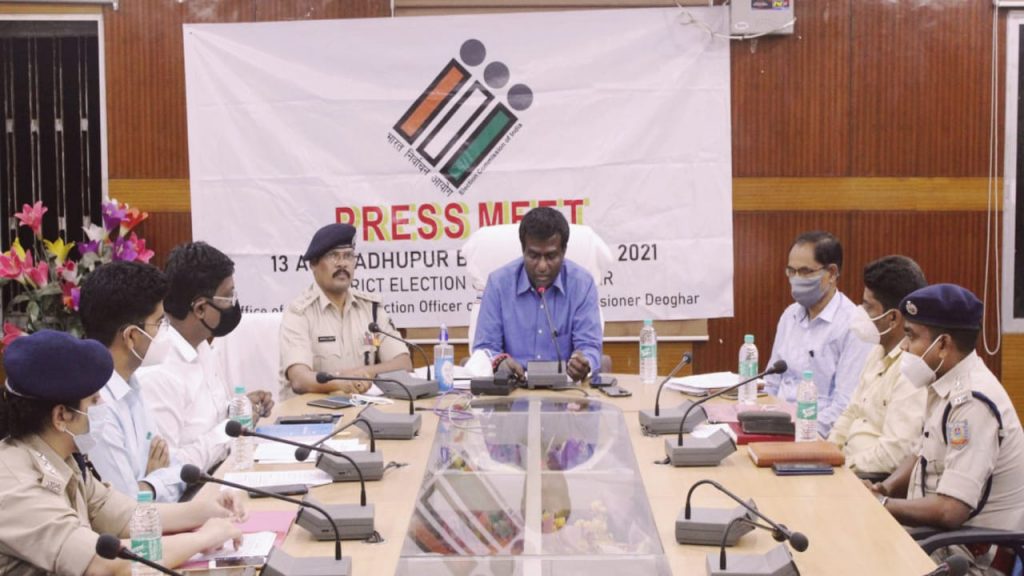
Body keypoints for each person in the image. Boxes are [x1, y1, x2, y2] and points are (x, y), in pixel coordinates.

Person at [0, 330, 245, 576]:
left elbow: (126, 517)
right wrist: (203, 539)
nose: (103, 407)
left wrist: (208, 509)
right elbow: (104, 564)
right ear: (61, 416)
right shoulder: (15, 487)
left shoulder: (61, 457)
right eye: (94, 401)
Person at [870, 284, 1024, 575]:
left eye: (911, 336)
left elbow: (951, 510)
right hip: (936, 542)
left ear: (942, 345)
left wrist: (882, 504)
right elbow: (921, 455)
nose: (903, 347)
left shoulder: (973, 403)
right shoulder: (945, 383)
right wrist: (884, 488)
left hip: (970, 559)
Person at [137, 242, 274, 471]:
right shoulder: (158, 370)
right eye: (228, 298)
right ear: (200, 308)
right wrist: (229, 430)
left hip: (227, 470)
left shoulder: (201, 344)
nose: (233, 304)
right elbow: (170, 469)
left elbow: (205, 421)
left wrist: (239, 409)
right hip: (197, 488)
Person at [78, 261, 186, 502]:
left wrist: (149, 485)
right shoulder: (97, 406)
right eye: (159, 323)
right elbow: (127, 505)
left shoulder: (130, 383)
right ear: (131, 337)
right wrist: (154, 483)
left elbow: (179, 470)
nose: (166, 331)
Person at [279, 223, 412, 398]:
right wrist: (342, 382)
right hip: (312, 412)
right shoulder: (299, 313)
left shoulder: (370, 308)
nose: (342, 263)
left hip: (363, 408)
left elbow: (403, 364)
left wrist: (363, 373)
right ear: (313, 264)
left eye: (348, 256)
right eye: (333, 256)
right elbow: (299, 379)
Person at [473, 207, 602, 383]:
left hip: (566, 390)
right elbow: (484, 349)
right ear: (523, 250)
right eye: (533, 256)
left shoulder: (582, 284)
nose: (542, 266)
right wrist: (499, 362)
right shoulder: (498, 284)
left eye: (551, 256)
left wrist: (584, 363)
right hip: (512, 390)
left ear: (563, 251)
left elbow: (590, 347)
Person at [764, 231, 874, 437]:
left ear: (831, 273)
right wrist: (759, 421)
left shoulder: (854, 325)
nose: (796, 279)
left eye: (805, 272)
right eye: (791, 271)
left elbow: (845, 405)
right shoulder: (790, 316)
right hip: (775, 427)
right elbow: (771, 383)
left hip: (815, 435)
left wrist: (801, 433)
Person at [828, 255, 928, 476]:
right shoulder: (877, 351)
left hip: (869, 480)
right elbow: (850, 413)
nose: (860, 313)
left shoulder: (912, 368)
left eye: (868, 307)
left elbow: (895, 454)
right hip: (845, 469)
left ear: (892, 318)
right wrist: (826, 455)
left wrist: (841, 467)